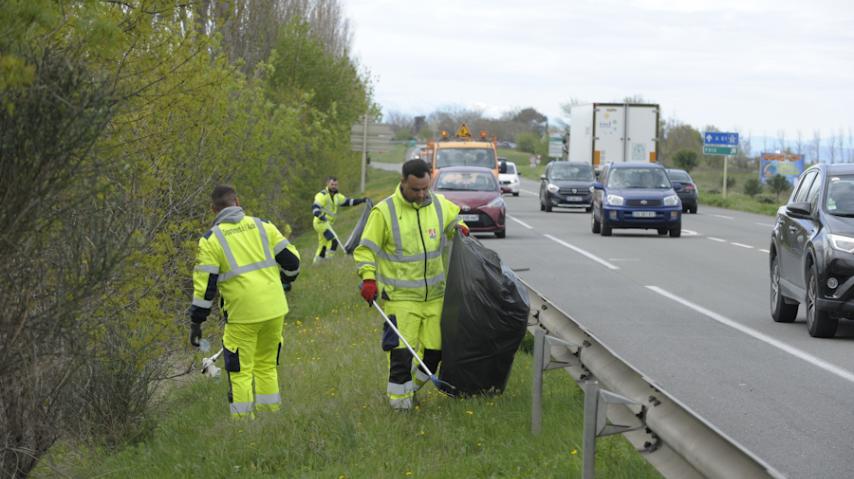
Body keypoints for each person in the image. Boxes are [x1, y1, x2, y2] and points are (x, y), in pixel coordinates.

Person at [354, 159, 469, 411]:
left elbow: (452, 225)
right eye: (416, 189)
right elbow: (365, 250)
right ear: (403, 182)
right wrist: (368, 279)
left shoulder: (439, 205)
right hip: (401, 298)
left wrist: (460, 228)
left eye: (425, 188)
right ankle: (399, 409)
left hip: (435, 297)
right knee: (401, 355)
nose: (421, 194)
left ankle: (412, 391)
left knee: (434, 353)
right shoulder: (384, 212)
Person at [188, 185, 301, 419]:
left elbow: (204, 289)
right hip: (274, 309)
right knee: (267, 366)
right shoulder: (264, 226)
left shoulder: (210, 240)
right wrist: (284, 282)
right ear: (237, 202)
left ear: (213, 209)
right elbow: (293, 263)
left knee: (239, 372)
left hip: (242, 315)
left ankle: (244, 429)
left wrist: (196, 323)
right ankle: (270, 419)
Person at [312, 177, 368, 263]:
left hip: (328, 224)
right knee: (333, 241)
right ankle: (328, 261)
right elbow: (315, 207)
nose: (334, 186)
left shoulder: (337, 196)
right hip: (320, 222)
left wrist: (362, 200)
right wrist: (320, 215)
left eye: (335, 185)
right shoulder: (322, 195)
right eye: (332, 184)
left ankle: (316, 263)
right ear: (327, 184)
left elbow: (349, 202)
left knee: (323, 245)